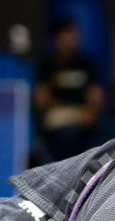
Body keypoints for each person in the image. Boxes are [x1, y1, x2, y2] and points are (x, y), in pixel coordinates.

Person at [32, 19, 106, 164]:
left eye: (75, 33)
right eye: (68, 33)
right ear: (57, 38)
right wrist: (72, 112)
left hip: (84, 115)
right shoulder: (48, 65)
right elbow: (42, 100)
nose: (73, 38)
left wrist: (91, 111)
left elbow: (96, 95)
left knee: (110, 130)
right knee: (68, 133)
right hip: (58, 115)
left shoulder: (86, 64)